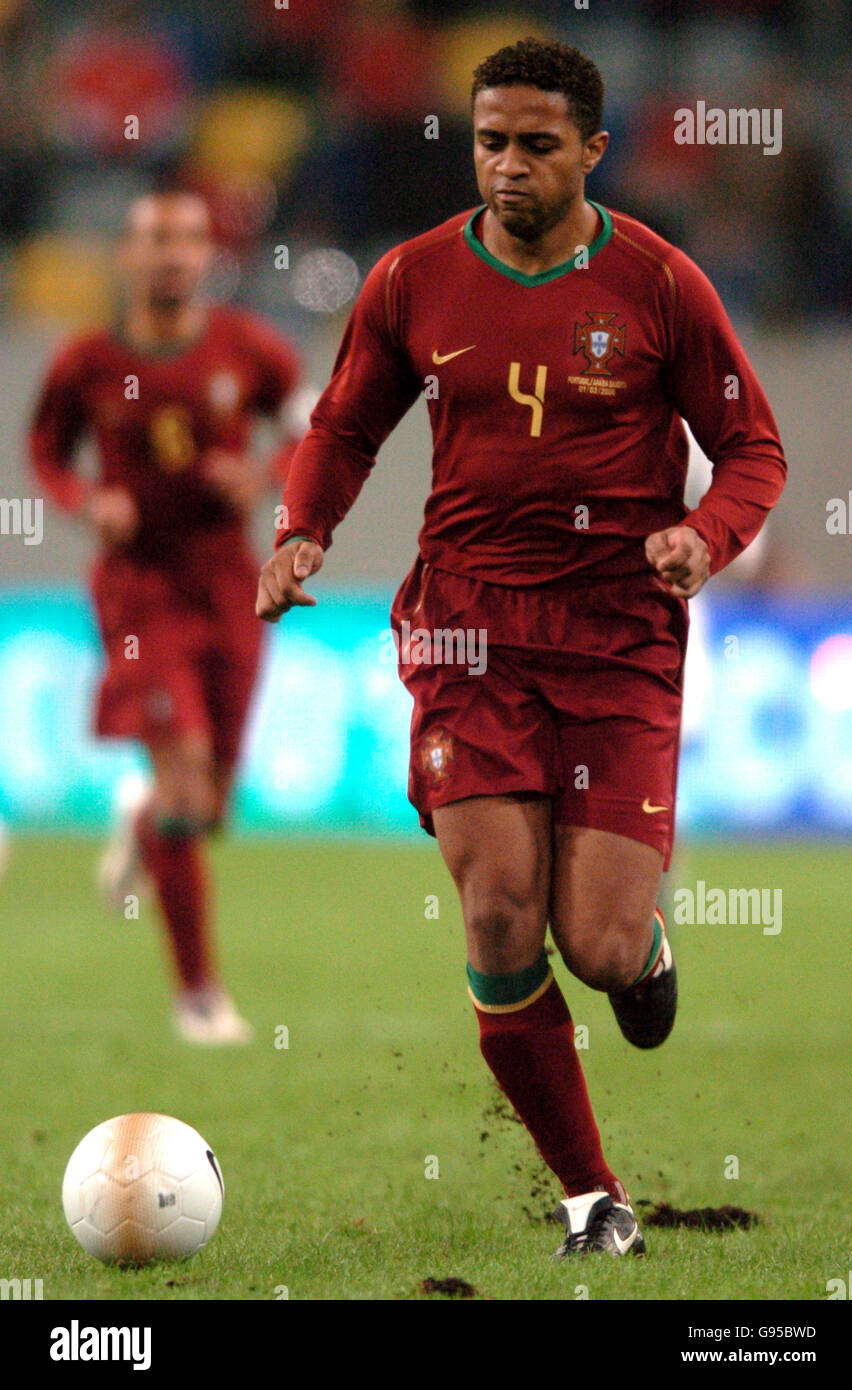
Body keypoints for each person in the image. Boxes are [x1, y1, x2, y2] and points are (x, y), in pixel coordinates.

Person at [255, 37, 787, 1255]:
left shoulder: (657, 284)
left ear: (590, 151)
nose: (506, 166)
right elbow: (342, 426)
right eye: (489, 141)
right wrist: (299, 532)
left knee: (593, 943)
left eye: (536, 146)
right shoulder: (411, 279)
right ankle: (593, 1200)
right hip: (467, 627)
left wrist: (704, 534)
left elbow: (751, 447)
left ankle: (639, 951)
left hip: (614, 634)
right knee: (498, 913)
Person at [31, 191, 315, 1044]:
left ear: (206, 255)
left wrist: (263, 475)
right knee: (188, 786)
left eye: (190, 238)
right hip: (140, 591)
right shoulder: (86, 360)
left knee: (210, 806)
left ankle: (141, 818)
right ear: (127, 254)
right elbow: (47, 450)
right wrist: (86, 499)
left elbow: (311, 428)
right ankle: (199, 996)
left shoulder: (246, 348)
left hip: (229, 587)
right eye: (157, 238)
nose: (174, 254)